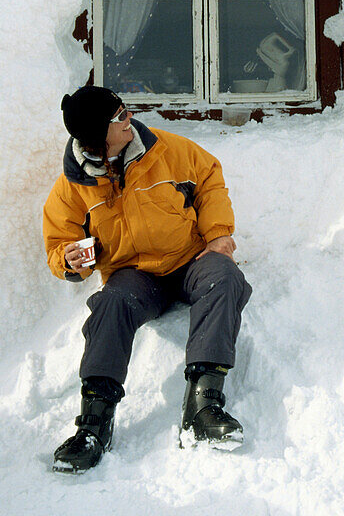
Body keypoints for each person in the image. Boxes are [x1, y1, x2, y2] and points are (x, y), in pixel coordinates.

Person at [43, 85, 252, 473]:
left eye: (125, 111)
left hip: (190, 260)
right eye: (119, 116)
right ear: (96, 137)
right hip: (134, 276)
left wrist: (219, 232)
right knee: (110, 303)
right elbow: (59, 242)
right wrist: (69, 260)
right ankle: (94, 423)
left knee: (224, 276)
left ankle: (204, 405)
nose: (129, 119)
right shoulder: (72, 185)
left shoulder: (167, 150)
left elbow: (209, 177)